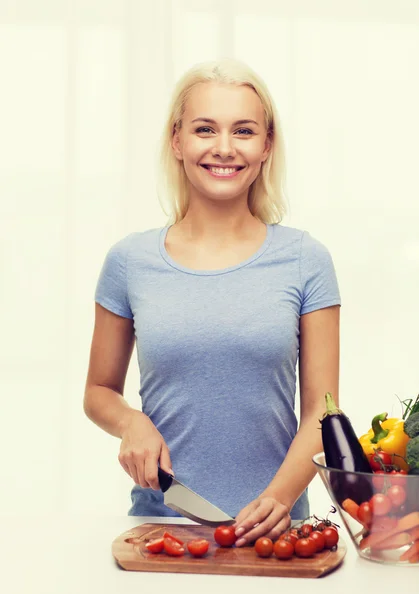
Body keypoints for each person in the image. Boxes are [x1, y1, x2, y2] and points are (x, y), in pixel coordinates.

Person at [83, 58, 340, 548]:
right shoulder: (129, 261)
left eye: (243, 131)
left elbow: (324, 415)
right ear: (177, 141)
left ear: (267, 146)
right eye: (206, 129)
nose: (224, 148)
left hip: (279, 533)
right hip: (164, 526)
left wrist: (280, 498)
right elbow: (98, 390)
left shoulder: (306, 260)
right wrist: (130, 422)